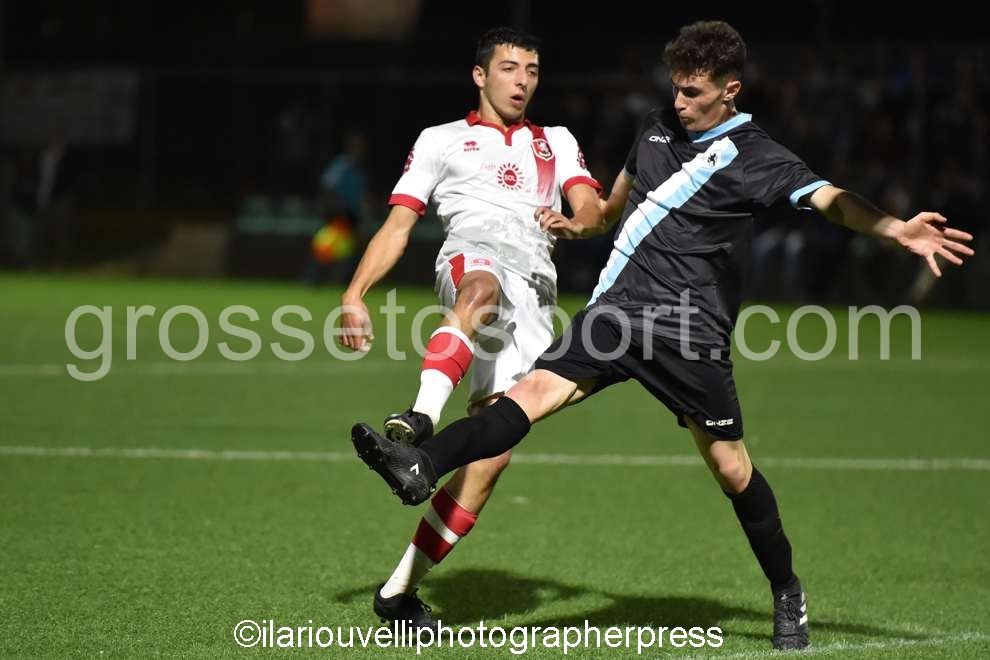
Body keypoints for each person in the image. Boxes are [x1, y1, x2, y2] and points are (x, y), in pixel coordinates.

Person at [351, 20, 975, 651]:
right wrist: (578, 227)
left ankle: (787, 589)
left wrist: (896, 229)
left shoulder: (758, 156)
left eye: (693, 92)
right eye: (675, 87)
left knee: (731, 469)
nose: (679, 102)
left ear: (730, 90)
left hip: (689, 333)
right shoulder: (654, 129)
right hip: (617, 314)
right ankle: (421, 461)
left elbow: (831, 199)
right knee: (526, 398)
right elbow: (611, 211)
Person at [339, 27, 602, 633]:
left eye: (532, 71)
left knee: (491, 456)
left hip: (534, 297)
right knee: (479, 290)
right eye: (510, 68)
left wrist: (579, 221)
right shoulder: (440, 139)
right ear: (481, 75)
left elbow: (590, 206)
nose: (522, 81)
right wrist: (355, 293)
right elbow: (398, 225)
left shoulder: (557, 141)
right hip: (473, 258)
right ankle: (419, 420)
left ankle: (397, 592)